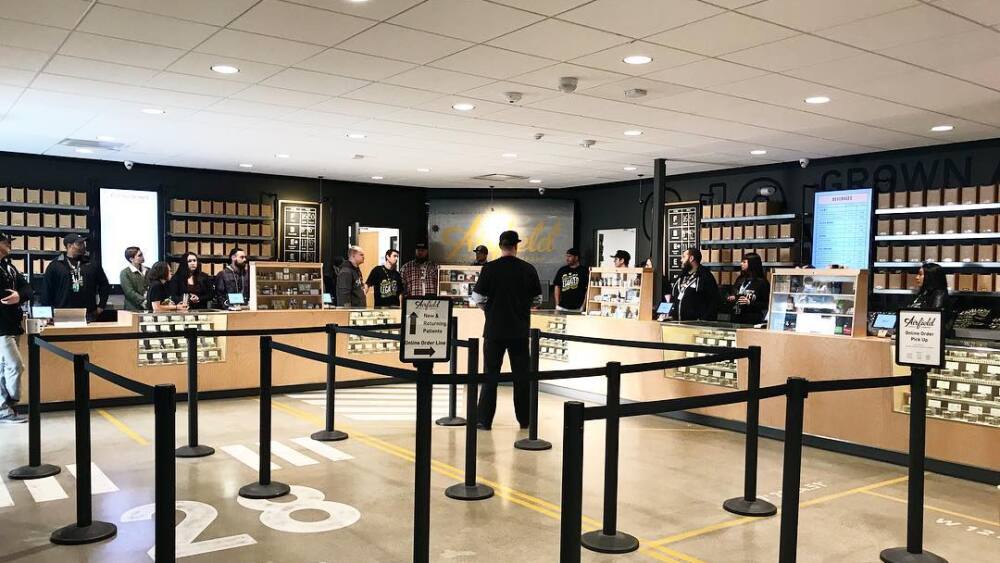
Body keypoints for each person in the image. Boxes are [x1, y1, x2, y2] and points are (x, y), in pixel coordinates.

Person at [471, 230, 542, 430]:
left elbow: (477, 298)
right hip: (519, 331)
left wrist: (490, 310)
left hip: (494, 330)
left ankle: (483, 420)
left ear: (500, 246)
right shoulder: (528, 269)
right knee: (522, 377)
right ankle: (525, 420)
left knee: (490, 375)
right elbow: (537, 299)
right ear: (516, 246)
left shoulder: (490, 268)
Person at [41, 234, 110, 321]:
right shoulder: (56, 265)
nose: (83, 246)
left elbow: (104, 285)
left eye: (84, 243)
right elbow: (46, 290)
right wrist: (47, 314)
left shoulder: (92, 264)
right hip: (62, 314)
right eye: (79, 244)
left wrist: (101, 306)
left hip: (88, 314)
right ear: (69, 246)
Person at [0, 232, 30, 423]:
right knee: (15, 365)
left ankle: (5, 409)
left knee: (5, 367)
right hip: (1, 325)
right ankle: (9, 404)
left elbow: (27, 288)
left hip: (13, 323)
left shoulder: (9, 267)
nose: (9, 244)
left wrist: (20, 295)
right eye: (6, 241)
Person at [669, 247, 721, 321]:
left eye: (683, 257)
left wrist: (704, 320)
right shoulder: (682, 276)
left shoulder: (705, 276)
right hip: (678, 323)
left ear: (691, 258)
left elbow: (713, 301)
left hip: (696, 325)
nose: (681, 260)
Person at [726, 253, 770, 324]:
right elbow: (733, 292)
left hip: (752, 319)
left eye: (744, 262)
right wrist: (732, 297)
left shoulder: (762, 282)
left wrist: (750, 303)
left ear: (752, 263)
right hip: (736, 316)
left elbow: (766, 304)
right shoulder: (740, 279)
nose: (741, 264)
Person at [119, 246, 149, 312]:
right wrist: (144, 301)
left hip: (149, 308)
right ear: (131, 259)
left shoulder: (148, 270)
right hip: (133, 308)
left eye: (142, 254)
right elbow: (129, 292)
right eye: (139, 255)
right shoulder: (125, 273)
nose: (142, 257)